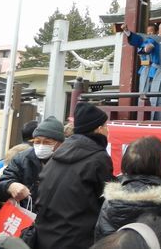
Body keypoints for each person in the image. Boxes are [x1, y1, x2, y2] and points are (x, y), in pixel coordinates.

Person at [34, 102, 114, 249]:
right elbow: (108, 199)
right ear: (98, 128)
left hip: (45, 235)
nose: (107, 130)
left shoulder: (58, 154)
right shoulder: (98, 158)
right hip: (77, 239)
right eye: (106, 126)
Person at [0, 116, 65, 211]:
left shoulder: (68, 161)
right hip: (24, 217)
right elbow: (0, 185)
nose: (41, 146)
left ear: (60, 143)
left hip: (54, 219)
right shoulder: (22, 158)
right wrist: (10, 186)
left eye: (47, 142)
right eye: (37, 141)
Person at [121, 24, 158, 95]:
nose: (149, 33)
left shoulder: (160, 42)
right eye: (148, 32)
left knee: (156, 90)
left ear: (156, 32)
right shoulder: (143, 40)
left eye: (151, 31)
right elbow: (135, 39)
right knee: (144, 91)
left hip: (157, 70)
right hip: (146, 68)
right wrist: (126, 31)